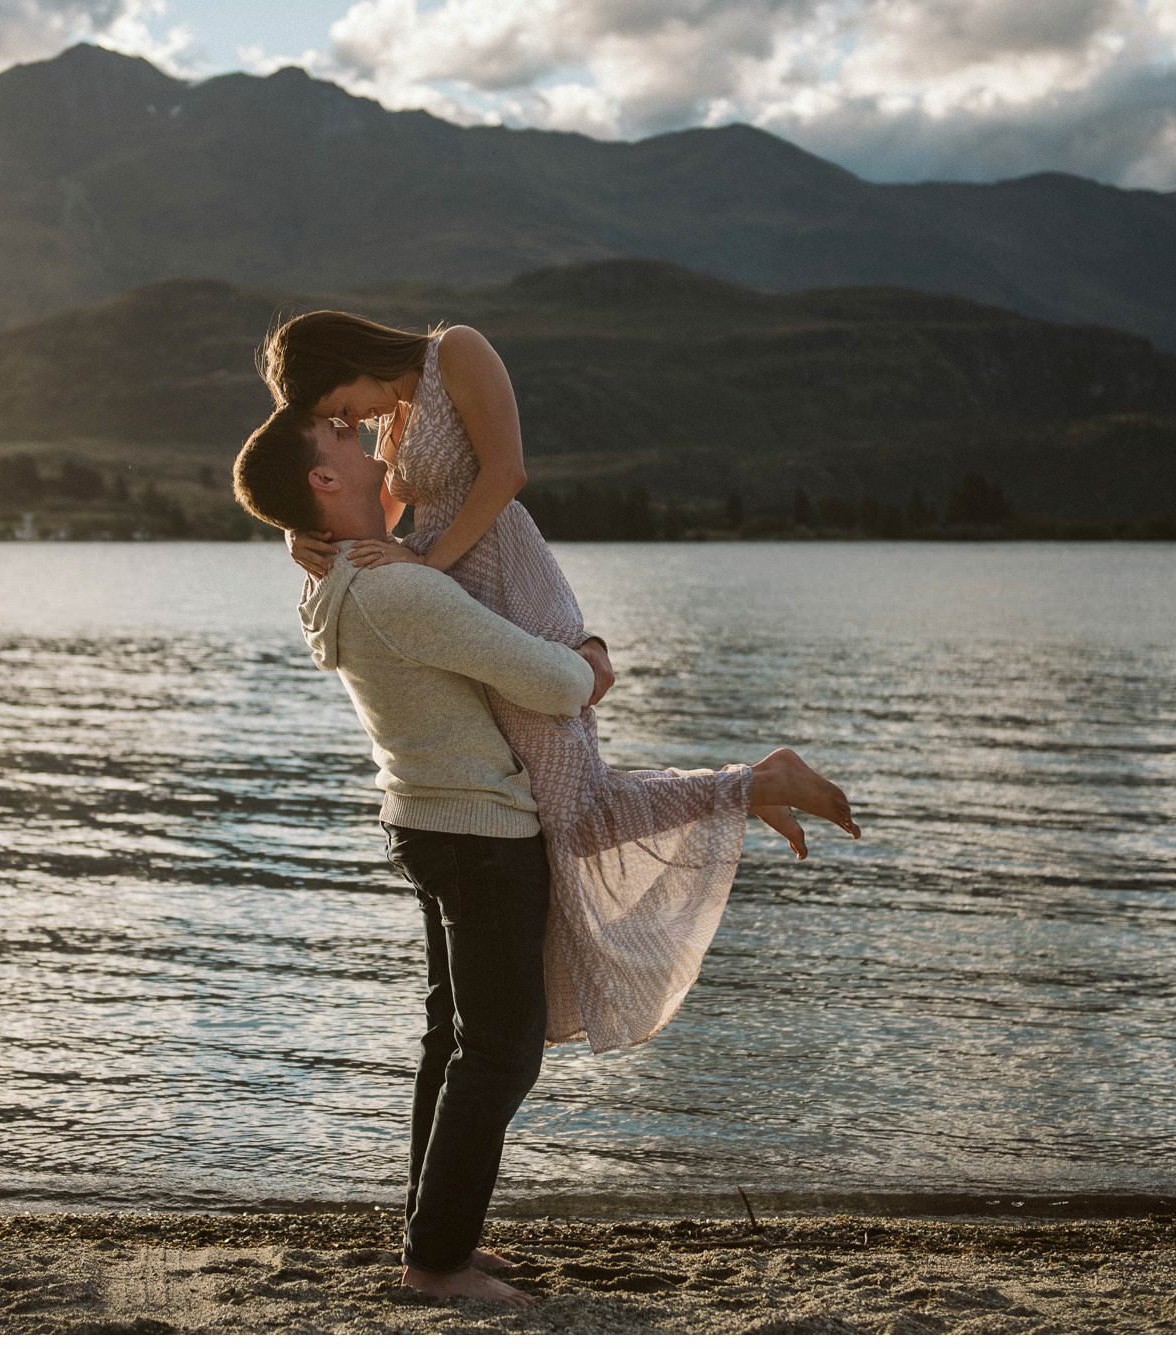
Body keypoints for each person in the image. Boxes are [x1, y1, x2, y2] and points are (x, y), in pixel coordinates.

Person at [231, 405, 860, 1305]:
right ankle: (436, 1263)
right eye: (336, 434)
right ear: (325, 482)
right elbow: (560, 684)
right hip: (479, 836)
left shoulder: (331, 582)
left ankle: (436, 1239)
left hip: (425, 821)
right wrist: (595, 653)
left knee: (453, 1040)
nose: (353, 429)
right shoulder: (399, 587)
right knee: (499, 1054)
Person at [262, 311, 861, 1053]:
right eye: (336, 422)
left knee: (579, 808)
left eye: (341, 407)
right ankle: (756, 784)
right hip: (456, 595)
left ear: (347, 358)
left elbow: (508, 471)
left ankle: (759, 782)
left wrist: (430, 564)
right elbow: (374, 513)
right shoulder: (393, 423)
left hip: (505, 581)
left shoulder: (457, 352)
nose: (352, 422)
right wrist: (301, 528)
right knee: (558, 807)